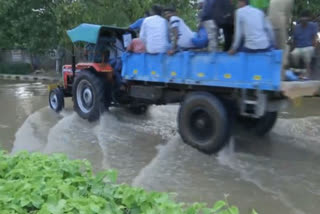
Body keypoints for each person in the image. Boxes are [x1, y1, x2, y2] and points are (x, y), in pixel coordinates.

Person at [291, 10, 318, 79]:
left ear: (308, 19)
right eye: (302, 18)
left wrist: (314, 47)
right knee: (294, 54)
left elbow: (315, 38)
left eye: (305, 18)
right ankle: (298, 73)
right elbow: (294, 40)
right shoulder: (297, 27)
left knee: (306, 52)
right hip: (299, 47)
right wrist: (293, 48)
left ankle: (307, 73)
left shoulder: (313, 26)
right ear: (300, 19)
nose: (304, 20)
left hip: (309, 46)